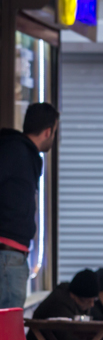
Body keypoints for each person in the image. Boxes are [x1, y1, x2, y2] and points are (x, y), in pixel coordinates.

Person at [0, 102, 59, 309]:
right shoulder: (17, 153)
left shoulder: (14, 150)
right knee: (6, 328)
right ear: (48, 131)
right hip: (8, 255)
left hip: (12, 254)